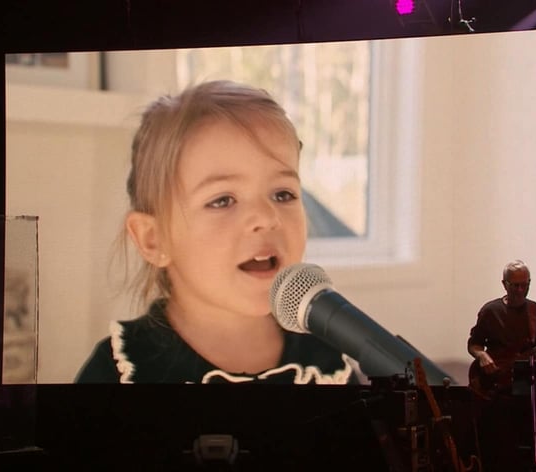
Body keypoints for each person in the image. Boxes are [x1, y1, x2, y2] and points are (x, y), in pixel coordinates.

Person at [75, 80, 358, 385]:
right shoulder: (119, 371)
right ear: (153, 239)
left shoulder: (327, 360)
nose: (266, 217)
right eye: (223, 200)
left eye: (283, 194)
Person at [466, 259, 536, 472]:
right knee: (502, 451)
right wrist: (482, 356)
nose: (521, 290)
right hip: (499, 392)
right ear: (504, 284)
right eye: (516, 285)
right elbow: (474, 344)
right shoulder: (490, 311)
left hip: (532, 389)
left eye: (525, 284)